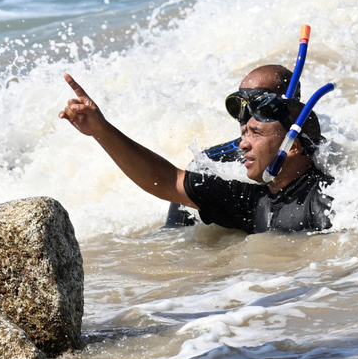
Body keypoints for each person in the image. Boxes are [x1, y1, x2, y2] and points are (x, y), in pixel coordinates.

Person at [60, 73, 333, 234]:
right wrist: (101, 130)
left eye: (256, 133)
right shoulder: (248, 194)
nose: (242, 143)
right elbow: (166, 180)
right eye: (244, 130)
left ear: (293, 146)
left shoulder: (325, 200)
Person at [164, 64, 304, 227]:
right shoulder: (210, 165)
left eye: (259, 107)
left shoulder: (323, 153)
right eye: (238, 107)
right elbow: (174, 238)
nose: (245, 121)